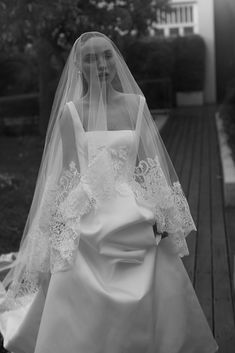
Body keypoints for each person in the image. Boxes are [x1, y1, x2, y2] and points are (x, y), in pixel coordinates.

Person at [0, 31, 218, 353]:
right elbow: (69, 175)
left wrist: (165, 217)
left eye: (106, 56)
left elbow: (148, 165)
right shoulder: (71, 113)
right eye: (91, 58)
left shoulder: (137, 104)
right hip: (90, 215)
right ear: (79, 67)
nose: (101, 64)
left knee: (160, 275)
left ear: (115, 61)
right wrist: (60, 227)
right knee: (75, 278)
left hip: (133, 211)